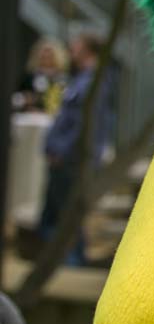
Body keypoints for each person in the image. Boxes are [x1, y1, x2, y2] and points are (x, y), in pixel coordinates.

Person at [39, 33, 117, 264]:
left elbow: (86, 124)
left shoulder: (95, 81)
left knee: (63, 219)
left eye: (77, 45)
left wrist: (60, 152)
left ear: (87, 50)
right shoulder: (82, 77)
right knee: (58, 217)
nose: (71, 48)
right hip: (65, 158)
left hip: (71, 160)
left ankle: (70, 264)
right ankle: (71, 261)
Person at [13, 38, 67, 114]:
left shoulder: (63, 78)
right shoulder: (29, 77)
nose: (46, 55)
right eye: (43, 52)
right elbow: (15, 99)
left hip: (55, 118)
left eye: (49, 52)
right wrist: (25, 98)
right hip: (31, 118)